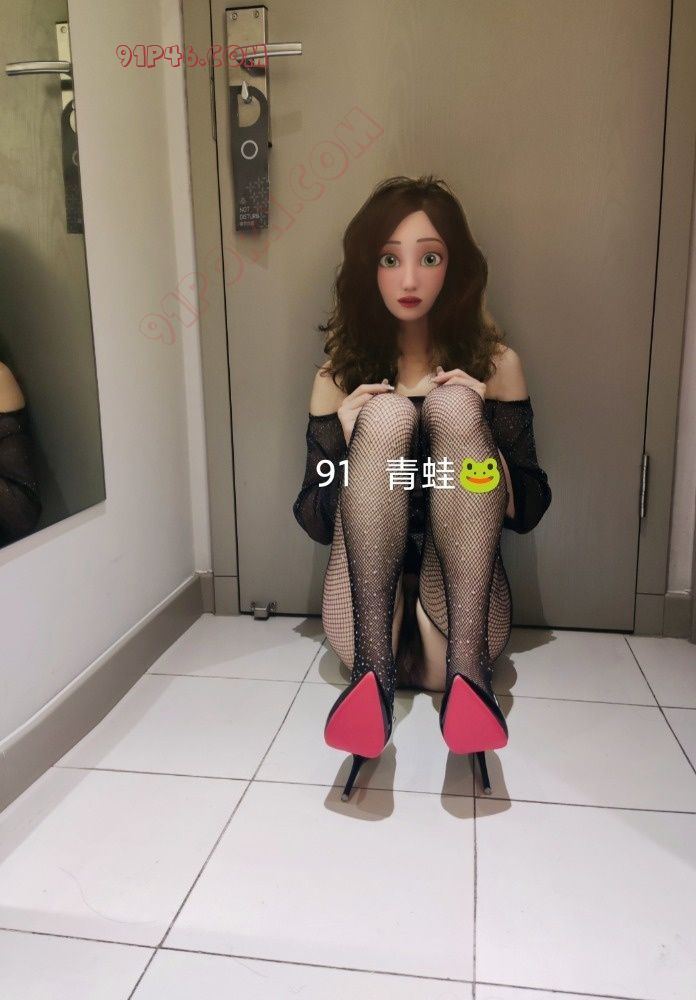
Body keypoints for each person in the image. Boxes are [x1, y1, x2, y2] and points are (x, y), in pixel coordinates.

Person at [292, 175, 552, 799]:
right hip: (363, 617)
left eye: (428, 258)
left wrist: (479, 433)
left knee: (456, 406)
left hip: (460, 618)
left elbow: (529, 508)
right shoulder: (338, 376)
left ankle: (467, 684)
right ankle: (373, 685)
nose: (409, 279)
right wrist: (348, 445)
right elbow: (315, 519)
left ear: (454, 267)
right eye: (390, 260)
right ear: (368, 270)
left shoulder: (496, 367)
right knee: (384, 414)